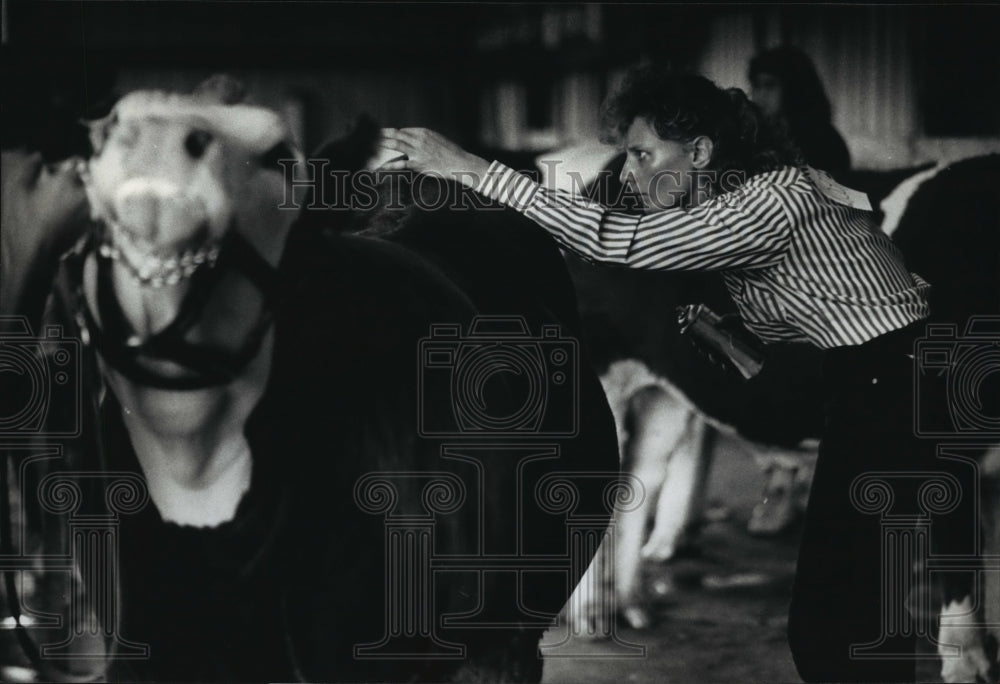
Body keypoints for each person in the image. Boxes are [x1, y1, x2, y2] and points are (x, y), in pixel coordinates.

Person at [380, 65, 936, 683]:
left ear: (698, 150)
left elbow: (618, 240)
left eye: (644, 154)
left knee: (837, 619)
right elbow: (813, 306)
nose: (632, 173)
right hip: (882, 381)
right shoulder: (760, 194)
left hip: (891, 386)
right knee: (849, 611)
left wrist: (467, 167)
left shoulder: (772, 201)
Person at [749, 45, 851, 181]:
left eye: (770, 86)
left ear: (793, 88)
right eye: (756, 86)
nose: (759, 95)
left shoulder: (825, 140)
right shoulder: (755, 136)